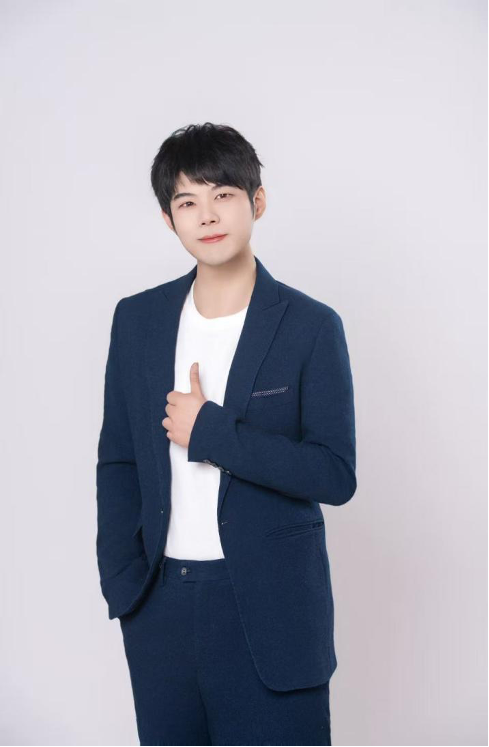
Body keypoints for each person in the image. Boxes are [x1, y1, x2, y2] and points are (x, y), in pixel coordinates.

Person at [95, 122, 357, 746]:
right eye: (187, 202)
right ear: (169, 219)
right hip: (160, 606)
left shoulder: (310, 325)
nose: (207, 216)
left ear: (257, 201)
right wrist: (124, 582)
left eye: (223, 195)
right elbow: (118, 460)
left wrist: (211, 431)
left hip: (271, 609)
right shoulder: (137, 320)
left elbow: (334, 474)